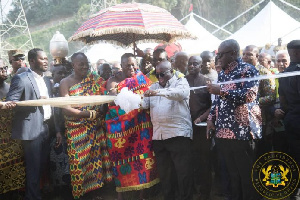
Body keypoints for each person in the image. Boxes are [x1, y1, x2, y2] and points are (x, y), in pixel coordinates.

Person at [207, 39, 261, 200]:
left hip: (242, 131)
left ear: (232, 54)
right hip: (223, 131)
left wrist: (222, 91)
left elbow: (250, 95)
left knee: (247, 174)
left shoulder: (248, 70)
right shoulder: (223, 73)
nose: (218, 58)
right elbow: (217, 100)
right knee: (232, 174)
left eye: (221, 55)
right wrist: (211, 119)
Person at [105, 53, 159, 200]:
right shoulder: (113, 80)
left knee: (143, 158)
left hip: (141, 128)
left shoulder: (141, 78)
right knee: (120, 159)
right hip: (121, 130)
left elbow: (149, 97)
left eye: (133, 64)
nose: (131, 67)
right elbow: (110, 103)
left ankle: (142, 194)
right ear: (121, 66)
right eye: (127, 65)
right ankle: (120, 195)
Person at [59, 53, 112, 199]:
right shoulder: (66, 82)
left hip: (95, 127)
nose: (84, 66)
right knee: (79, 162)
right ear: (73, 65)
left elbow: (107, 90)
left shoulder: (95, 79)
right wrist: (88, 114)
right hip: (76, 129)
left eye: (86, 63)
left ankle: (96, 192)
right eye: (80, 64)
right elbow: (65, 108)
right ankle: (81, 194)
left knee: (96, 160)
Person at [142, 60, 193, 200]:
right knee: (165, 174)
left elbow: (180, 94)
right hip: (159, 136)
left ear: (172, 71)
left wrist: (157, 92)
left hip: (178, 134)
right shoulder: (153, 86)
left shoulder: (181, 82)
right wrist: (126, 98)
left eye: (163, 74)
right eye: (157, 74)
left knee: (183, 172)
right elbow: (143, 104)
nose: (160, 78)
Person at [6, 48, 53, 200]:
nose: (46, 61)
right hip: (31, 129)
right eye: (42, 59)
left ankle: (38, 194)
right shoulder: (22, 78)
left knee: (42, 165)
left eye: (47, 58)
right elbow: (11, 101)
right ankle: (32, 197)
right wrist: (32, 101)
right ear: (32, 61)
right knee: (33, 167)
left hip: (46, 127)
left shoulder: (46, 80)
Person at [185, 56, 212, 199]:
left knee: (204, 160)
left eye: (195, 64)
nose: (192, 66)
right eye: (190, 63)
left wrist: (201, 118)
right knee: (190, 160)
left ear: (201, 66)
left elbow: (213, 106)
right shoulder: (182, 81)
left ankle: (205, 192)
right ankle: (193, 189)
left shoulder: (207, 82)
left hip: (202, 127)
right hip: (186, 127)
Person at [243, 45, 276, 155]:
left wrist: (252, 102)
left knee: (261, 152)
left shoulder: (264, 73)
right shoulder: (241, 72)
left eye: (249, 54)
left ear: (257, 56)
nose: (245, 57)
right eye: (244, 54)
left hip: (261, 120)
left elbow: (271, 97)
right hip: (244, 119)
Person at [0, 59, 25, 199]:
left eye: (5, 67)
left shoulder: (12, 88)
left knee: (16, 171)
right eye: (0, 68)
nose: (3, 70)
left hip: (13, 137)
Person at [278, 40, 300, 199]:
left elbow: (283, 100)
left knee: (294, 155)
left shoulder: (285, 73)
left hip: (291, 119)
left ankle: (294, 191)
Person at [49, 64, 72, 199]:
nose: (62, 76)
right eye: (59, 73)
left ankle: (69, 190)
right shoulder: (50, 92)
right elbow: (53, 115)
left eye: (65, 73)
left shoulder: (68, 89)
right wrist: (57, 130)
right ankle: (60, 191)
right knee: (58, 162)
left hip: (70, 130)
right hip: (56, 133)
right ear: (53, 75)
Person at [268, 50, 290, 152]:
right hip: (276, 122)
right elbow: (266, 98)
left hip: (292, 120)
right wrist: (274, 112)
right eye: (278, 61)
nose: (281, 64)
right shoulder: (270, 78)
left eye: (284, 61)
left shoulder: (295, 76)